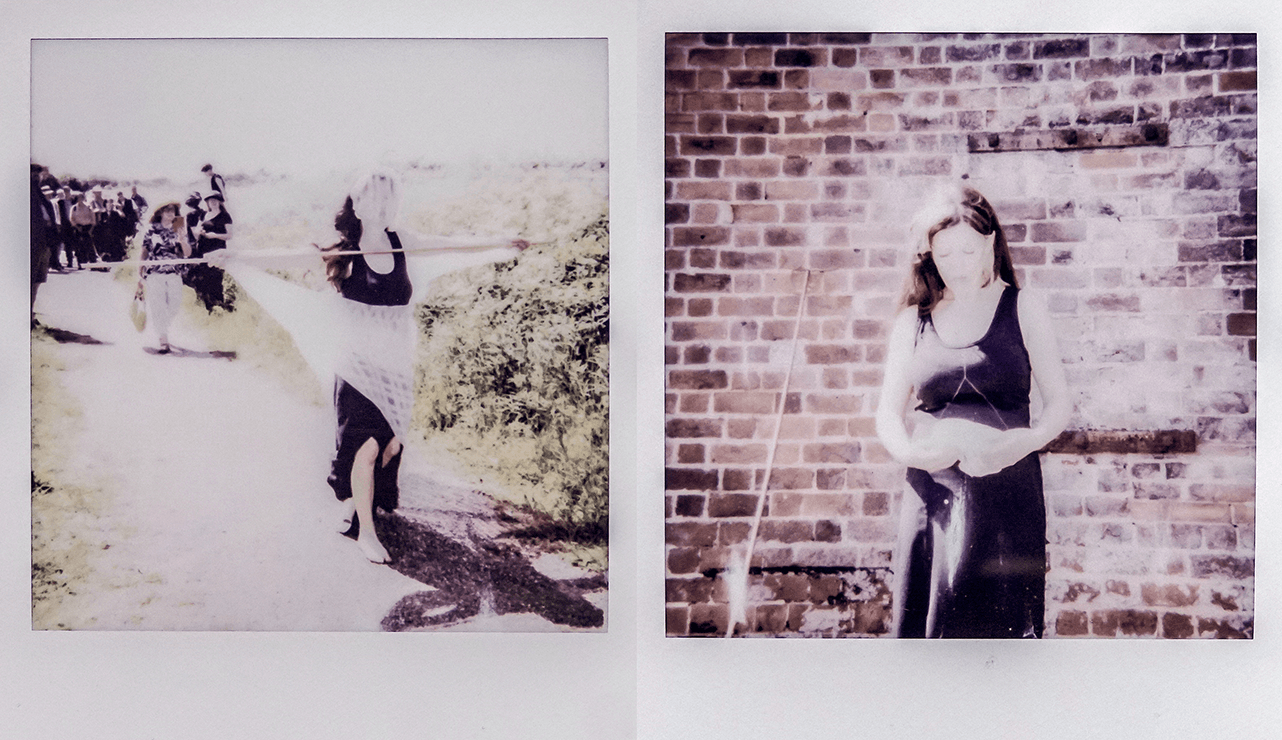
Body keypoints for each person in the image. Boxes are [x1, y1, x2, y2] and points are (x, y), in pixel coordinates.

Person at [875, 183, 1071, 639]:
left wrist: (1024, 441)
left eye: (966, 252)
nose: (956, 267)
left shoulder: (1023, 308)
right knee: (931, 635)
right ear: (930, 256)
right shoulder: (913, 321)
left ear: (989, 243)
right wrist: (911, 453)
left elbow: (1059, 404)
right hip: (932, 496)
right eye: (944, 256)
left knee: (999, 636)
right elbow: (887, 414)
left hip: (1006, 495)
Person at [309, 171, 527, 563]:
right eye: (364, 197)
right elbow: (275, 259)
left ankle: (362, 505)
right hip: (357, 368)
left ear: (391, 204)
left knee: (390, 446)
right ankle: (367, 534)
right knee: (366, 448)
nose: (370, 203)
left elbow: (455, 248)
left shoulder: (402, 242)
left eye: (380, 196)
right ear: (355, 205)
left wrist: (501, 246)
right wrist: (229, 259)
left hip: (394, 368)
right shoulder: (342, 250)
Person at [137, 203, 191, 353]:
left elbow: (187, 254)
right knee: (158, 306)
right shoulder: (151, 228)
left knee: (175, 304)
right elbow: (144, 251)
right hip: (155, 273)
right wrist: (139, 274)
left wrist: (182, 240)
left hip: (174, 272)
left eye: (172, 210)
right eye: (167, 210)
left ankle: (162, 326)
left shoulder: (178, 227)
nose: (170, 213)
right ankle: (163, 339)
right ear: (160, 212)